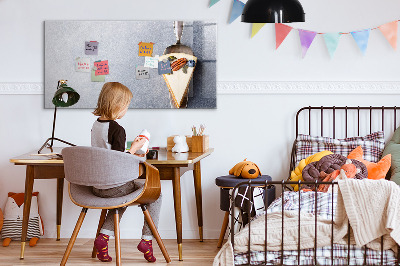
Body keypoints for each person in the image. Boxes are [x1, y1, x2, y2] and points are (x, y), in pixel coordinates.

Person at [91, 82, 161, 263]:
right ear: (117, 105)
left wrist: (130, 149)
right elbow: (119, 161)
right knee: (156, 194)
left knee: (121, 197)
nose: (126, 109)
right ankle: (147, 240)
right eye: (126, 105)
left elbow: (108, 154)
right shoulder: (117, 129)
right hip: (114, 186)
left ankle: (103, 238)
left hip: (97, 186)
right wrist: (136, 148)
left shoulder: (96, 125)